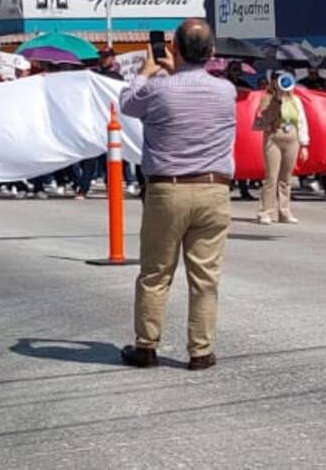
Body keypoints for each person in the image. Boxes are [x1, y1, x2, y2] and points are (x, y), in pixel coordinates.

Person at [118, 19, 235, 371]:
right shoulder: (226, 91)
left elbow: (128, 104)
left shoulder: (157, 89)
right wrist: (176, 71)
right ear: (211, 52)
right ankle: (201, 350)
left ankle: (146, 345)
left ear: (174, 48)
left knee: (155, 273)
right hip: (214, 188)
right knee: (205, 278)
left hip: (168, 189)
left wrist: (145, 72)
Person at [253, 73, 310, 224]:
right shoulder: (267, 99)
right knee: (271, 177)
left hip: (291, 138)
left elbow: (302, 121)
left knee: (286, 178)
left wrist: (304, 144)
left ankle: (284, 211)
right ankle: (265, 212)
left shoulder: (295, 100)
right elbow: (264, 118)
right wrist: (277, 100)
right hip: (273, 137)